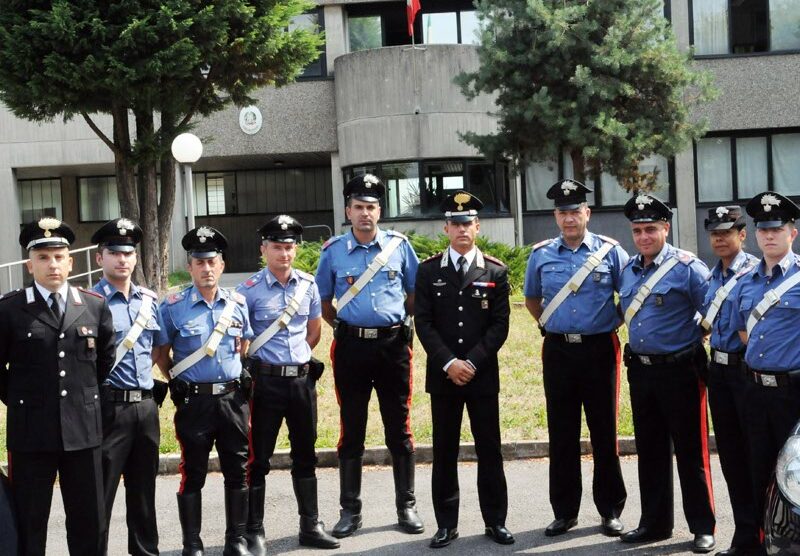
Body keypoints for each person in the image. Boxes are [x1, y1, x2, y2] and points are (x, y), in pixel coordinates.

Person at [315, 173, 423, 538]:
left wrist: (386, 325)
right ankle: (350, 511)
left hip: (393, 347)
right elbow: (325, 304)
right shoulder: (332, 252)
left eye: (371, 207)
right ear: (348, 210)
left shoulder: (399, 247)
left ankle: (406, 506)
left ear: (380, 211)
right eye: (358, 207)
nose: (365, 213)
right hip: (351, 348)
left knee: (400, 428)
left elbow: (412, 296)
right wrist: (354, 327)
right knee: (352, 430)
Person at [0, 217, 115, 555]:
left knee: (88, 523)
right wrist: (24, 401)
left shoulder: (93, 306)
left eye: (58, 256)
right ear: (29, 264)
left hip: (83, 433)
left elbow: (103, 363)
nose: (52, 264)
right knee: (29, 523)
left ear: (71, 261)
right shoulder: (9, 310)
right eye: (43, 257)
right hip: (31, 435)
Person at [523, 179, 628, 538]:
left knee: (604, 432)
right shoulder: (541, 254)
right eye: (563, 212)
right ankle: (564, 512)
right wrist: (553, 325)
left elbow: (628, 297)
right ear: (556, 216)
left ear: (587, 212)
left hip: (599, 350)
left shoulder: (611, 252)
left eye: (575, 211)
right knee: (562, 433)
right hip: (558, 351)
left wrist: (607, 322)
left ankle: (610, 510)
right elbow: (533, 301)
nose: (569, 218)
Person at [617, 194, 716, 554]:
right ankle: (655, 523)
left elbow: (712, 313)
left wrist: (686, 342)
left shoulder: (688, 268)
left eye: (651, 229)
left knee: (691, 452)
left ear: (666, 228)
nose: (644, 236)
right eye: (638, 230)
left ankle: (703, 526)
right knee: (650, 450)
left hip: (680, 371)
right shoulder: (628, 269)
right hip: (641, 373)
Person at [415, 191, 514, 548]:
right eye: (455, 224)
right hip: (444, 376)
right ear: (445, 228)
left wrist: (471, 362)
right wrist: (449, 362)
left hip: (481, 375)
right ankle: (446, 524)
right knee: (444, 450)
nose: (461, 229)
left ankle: (495, 521)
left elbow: (500, 326)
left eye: (467, 223)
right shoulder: (428, 271)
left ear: (477, 226)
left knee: (490, 448)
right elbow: (423, 323)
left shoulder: (495, 271)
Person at [237, 215, 339, 552]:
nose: (284, 253)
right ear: (264, 249)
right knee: (258, 460)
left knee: (305, 455)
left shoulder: (307, 286)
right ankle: (254, 530)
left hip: (300, 383)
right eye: (277, 247)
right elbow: (241, 342)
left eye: (289, 247)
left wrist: (292, 362)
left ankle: (310, 525)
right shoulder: (247, 292)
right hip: (264, 385)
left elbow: (313, 332)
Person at [154, 226, 254, 556]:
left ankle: (236, 540)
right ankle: (192, 543)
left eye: (212, 261)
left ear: (221, 265)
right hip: (194, 401)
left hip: (231, 400)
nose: (206, 268)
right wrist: (178, 380)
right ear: (190, 266)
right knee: (193, 471)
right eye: (199, 262)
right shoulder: (172, 306)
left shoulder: (237, 303)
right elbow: (161, 352)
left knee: (237, 469)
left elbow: (244, 345)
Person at [91, 218, 167, 556]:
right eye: (114, 253)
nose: (122, 259)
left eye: (128, 253)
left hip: (145, 407)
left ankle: (145, 552)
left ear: (135, 258)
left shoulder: (149, 301)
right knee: (100, 494)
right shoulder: (89, 303)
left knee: (143, 493)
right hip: (109, 409)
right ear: (99, 258)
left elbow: (158, 347)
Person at [729, 191, 800, 554]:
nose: (769, 236)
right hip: (755, 391)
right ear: (755, 235)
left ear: (793, 233)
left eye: (778, 229)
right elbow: (745, 333)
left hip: (793, 392)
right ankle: (759, 544)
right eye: (763, 230)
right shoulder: (746, 281)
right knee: (759, 470)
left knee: (796, 474)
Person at [700, 206, 760, 556]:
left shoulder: (755, 274)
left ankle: (766, 537)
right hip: (718, 373)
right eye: (715, 233)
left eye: (727, 231)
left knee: (756, 456)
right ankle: (744, 535)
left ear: (742, 234)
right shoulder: (710, 276)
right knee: (732, 458)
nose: (720, 238)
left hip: (745, 372)